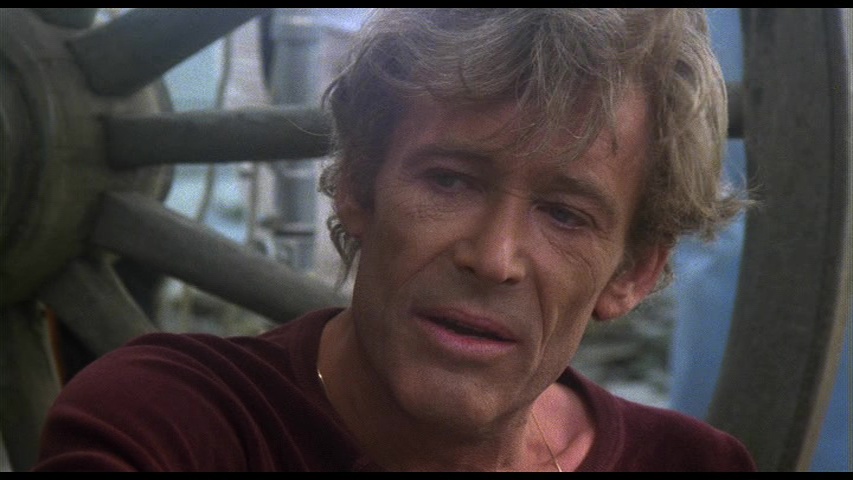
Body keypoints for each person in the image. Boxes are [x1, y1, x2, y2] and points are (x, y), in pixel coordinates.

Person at [33, 8, 756, 471]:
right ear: (356, 185)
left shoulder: (692, 463)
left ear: (633, 272)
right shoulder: (170, 430)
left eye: (565, 215)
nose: (492, 258)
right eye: (450, 181)